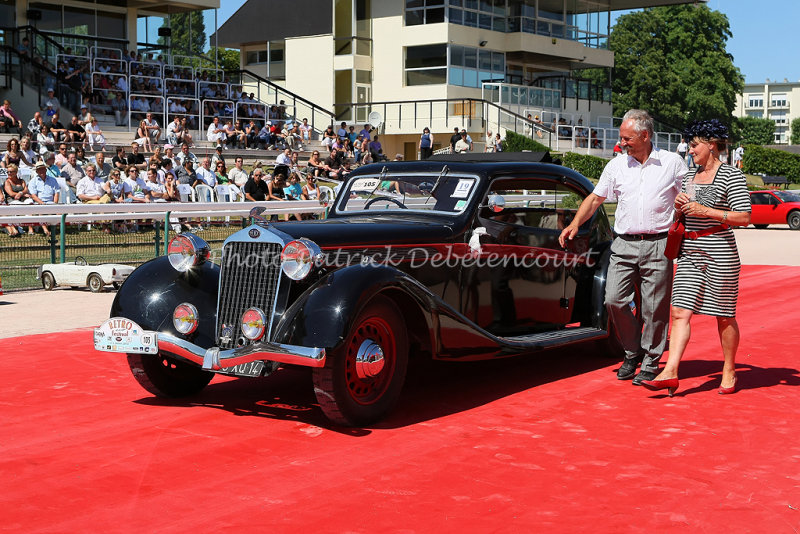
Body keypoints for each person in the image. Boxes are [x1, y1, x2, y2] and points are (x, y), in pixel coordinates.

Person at [558, 109, 688, 386]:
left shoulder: (672, 163)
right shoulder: (616, 165)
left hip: (659, 244)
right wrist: (575, 224)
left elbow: (690, 194)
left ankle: (651, 361)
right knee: (613, 300)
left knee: (654, 308)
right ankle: (632, 351)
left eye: (627, 138)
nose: (622, 143)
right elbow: (595, 198)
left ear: (645, 135)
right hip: (624, 244)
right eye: (621, 138)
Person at [641, 119, 751, 397]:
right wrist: (680, 208)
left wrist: (707, 211)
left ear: (711, 145)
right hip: (689, 252)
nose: (689, 151)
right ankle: (671, 372)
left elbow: (744, 217)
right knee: (678, 312)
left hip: (721, 253)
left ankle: (728, 369)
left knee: (724, 316)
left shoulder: (731, 176)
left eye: (694, 145)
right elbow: (687, 211)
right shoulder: (690, 175)